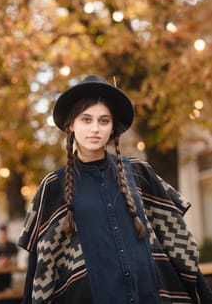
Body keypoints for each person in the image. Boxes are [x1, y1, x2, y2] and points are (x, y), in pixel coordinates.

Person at [18, 74, 212, 304]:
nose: (95, 129)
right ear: (71, 124)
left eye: (104, 121)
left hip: (148, 296)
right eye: (86, 119)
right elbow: (40, 264)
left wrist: (202, 292)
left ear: (112, 128)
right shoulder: (53, 185)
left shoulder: (140, 173)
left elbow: (175, 237)